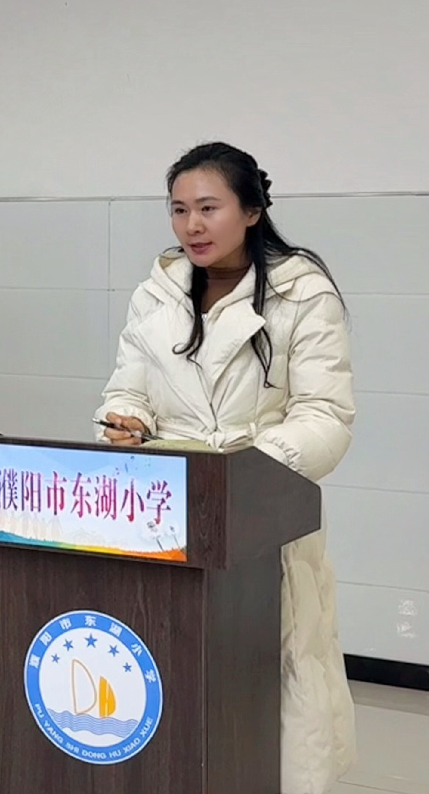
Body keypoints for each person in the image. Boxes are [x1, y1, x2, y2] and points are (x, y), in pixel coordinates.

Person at [97, 141, 356, 794]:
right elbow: (128, 386)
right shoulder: (156, 293)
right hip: (169, 512)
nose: (191, 225)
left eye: (208, 208)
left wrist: (243, 475)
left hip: (261, 511)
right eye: (178, 209)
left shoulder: (301, 292)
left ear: (252, 210)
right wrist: (126, 419)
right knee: (169, 668)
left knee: (272, 674)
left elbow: (325, 415)